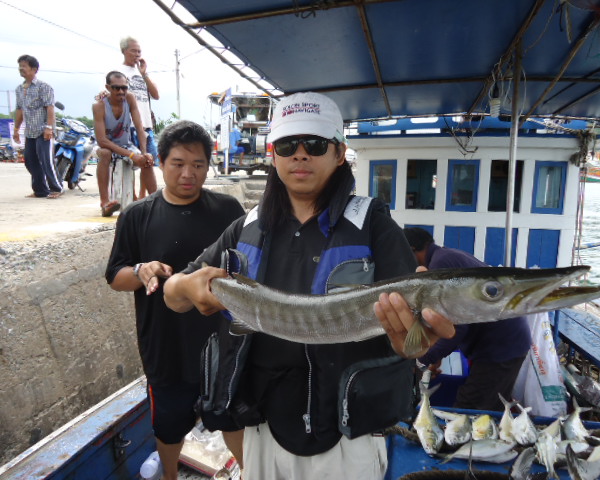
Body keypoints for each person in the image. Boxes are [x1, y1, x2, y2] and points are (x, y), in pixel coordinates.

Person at [163, 92, 454, 480]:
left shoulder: (375, 226)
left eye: (315, 144)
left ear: (339, 153)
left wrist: (411, 344)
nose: (300, 155)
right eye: (287, 145)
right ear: (273, 154)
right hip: (262, 430)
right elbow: (173, 295)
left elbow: (409, 337)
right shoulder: (243, 228)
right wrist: (188, 289)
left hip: (349, 441)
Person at [105, 120, 246, 480]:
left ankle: (251, 471)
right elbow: (115, 277)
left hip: (223, 344)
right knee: (168, 428)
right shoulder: (138, 215)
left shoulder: (228, 210)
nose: (188, 173)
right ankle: (169, 476)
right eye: (178, 163)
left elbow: (248, 266)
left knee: (233, 417)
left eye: (198, 165)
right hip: (165, 347)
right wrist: (141, 271)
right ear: (162, 162)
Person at [403, 227, 532, 411]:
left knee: (470, 408)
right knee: (490, 404)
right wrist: (434, 356)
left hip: (501, 345)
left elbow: (457, 327)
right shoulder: (446, 255)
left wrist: (422, 359)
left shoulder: (440, 265)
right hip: (507, 339)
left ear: (412, 249)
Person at [92, 70, 155, 217]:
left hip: (125, 145)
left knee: (146, 160)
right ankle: (105, 203)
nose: (121, 92)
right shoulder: (99, 106)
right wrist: (132, 155)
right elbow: (102, 140)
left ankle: (156, 202)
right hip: (105, 146)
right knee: (106, 154)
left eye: (124, 88)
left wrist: (144, 151)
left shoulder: (130, 99)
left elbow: (140, 128)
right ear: (108, 87)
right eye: (116, 88)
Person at [13, 54, 64, 199]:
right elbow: (19, 110)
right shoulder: (19, 89)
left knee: (46, 161)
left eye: (24, 66)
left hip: (43, 130)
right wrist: (16, 130)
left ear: (34, 69)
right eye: (20, 66)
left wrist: (49, 127)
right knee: (30, 161)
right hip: (30, 131)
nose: (21, 69)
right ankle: (40, 190)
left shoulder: (44, 87)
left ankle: (57, 188)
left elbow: (50, 108)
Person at [116, 36, 159, 199]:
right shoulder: (117, 72)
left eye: (139, 51)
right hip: (128, 126)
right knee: (131, 162)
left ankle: (144, 196)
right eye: (134, 50)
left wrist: (145, 74)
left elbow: (155, 95)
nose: (137, 54)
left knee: (148, 161)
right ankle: (132, 197)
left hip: (146, 125)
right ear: (124, 51)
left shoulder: (141, 73)